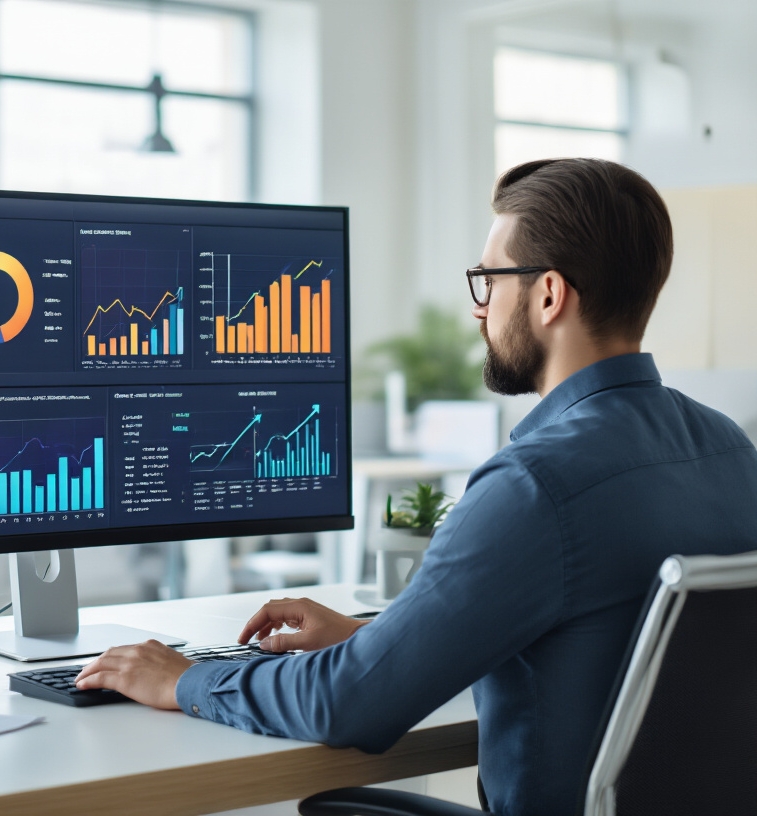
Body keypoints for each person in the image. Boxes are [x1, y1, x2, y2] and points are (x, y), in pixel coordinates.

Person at [74, 158, 757, 816]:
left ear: (549, 295)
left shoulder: (535, 486)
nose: (479, 310)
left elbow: (350, 705)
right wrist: (391, 642)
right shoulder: (732, 451)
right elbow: (606, 646)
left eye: (489, 281)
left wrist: (182, 679)